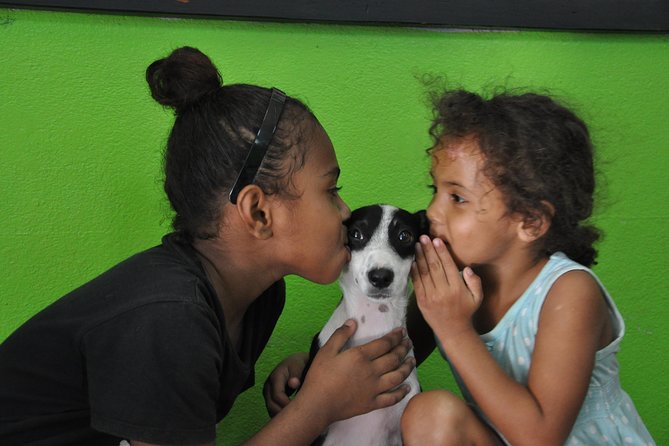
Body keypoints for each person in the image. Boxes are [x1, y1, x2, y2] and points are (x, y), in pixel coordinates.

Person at [0, 46, 416, 446]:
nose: (345, 212)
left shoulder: (259, 296)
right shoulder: (170, 317)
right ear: (258, 213)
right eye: (331, 190)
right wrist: (315, 406)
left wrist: (314, 376)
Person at [401, 89, 655, 445]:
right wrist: (314, 371)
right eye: (435, 189)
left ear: (531, 221)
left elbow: (541, 438)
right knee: (432, 415)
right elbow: (389, 361)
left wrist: (454, 327)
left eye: (457, 197)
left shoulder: (569, 293)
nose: (432, 211)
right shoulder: (450, 284)